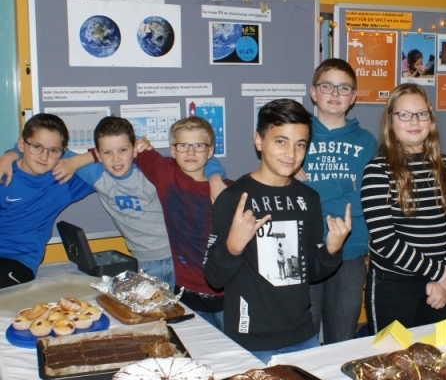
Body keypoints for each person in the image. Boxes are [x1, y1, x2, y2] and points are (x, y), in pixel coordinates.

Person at [204, 99, 351, 363]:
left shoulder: (308, 198)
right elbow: (214, 277)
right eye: (281, 141)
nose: (291, 153)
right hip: (250, 340)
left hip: (302, 335)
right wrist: (233, 247)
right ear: (258, 141)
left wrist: (332, 250)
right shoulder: (234, 198)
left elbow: (312, 271)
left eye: (300, 144)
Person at [96, 116, 227, 329]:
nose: (191, 152)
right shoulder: (164, 171)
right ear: (173, 151)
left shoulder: (226, 191)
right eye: (183, 146)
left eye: (198, 146)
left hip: (223, 290)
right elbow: (118, 144)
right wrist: (141, 143)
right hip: (184, 288)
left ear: (210, 151)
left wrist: (215, 177)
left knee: (232, 344)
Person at [360, 83, 446, 334]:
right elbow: (385, 241)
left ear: (431, 119)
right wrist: (442, 274)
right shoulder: (378, 171)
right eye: (404, 114)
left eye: (421, 113)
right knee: (392, 354)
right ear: (390, 121)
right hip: (393, 286)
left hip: (437, 286)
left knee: (436, 353)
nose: (414, 121)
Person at [294, 58, 377, 344]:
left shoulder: (366, 141)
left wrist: (310, 192)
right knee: (303, 335)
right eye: (327, 86)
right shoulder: (295, 135)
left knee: (342, 337)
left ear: (353, 97)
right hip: (304, 248)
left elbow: (364, 199)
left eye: (344, 88)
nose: (335, 94)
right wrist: (342, 185)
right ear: (313, 92)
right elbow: (289, 196)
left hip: (349, 252)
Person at [0, 114, 94, 288]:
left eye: (53, 151)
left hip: (18, 260)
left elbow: (114, 159)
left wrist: (77, 161)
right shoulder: (4, 173)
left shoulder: (63, 179)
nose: (44, 157)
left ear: (63, 152)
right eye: (37, 147)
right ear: (21, 144)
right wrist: (9, 155)